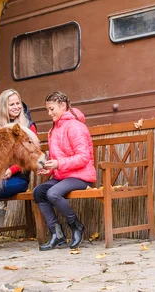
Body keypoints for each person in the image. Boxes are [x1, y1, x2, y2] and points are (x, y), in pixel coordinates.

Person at [0, 89, 39, 251]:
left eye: (18, 103)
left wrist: (11, 170)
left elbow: (31, 155)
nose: (16, 107)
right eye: (12, 104)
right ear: (4, 107)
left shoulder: (28, 127)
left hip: (19, 177)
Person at [35, 91, 96, 251]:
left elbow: (83, 157)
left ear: (63, 106)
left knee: (52, 193)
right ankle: (57, 234)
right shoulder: (55, 128)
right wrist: (48, 169)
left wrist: (58, 164)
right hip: (64, 176)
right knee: (39, 191)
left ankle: (76, 226)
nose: (49, 113)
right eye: (47, 110)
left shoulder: (75, 127)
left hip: (82, 176)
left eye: (52, 109)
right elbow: (58, 158)